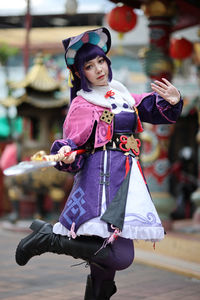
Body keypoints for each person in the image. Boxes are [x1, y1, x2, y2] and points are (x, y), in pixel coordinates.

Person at [15, 27, 183, 299]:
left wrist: (173, 101)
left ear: (108, 61)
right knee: (119, 256)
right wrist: (66, 152)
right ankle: (48, 238)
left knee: (106, 265)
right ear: (82, 73)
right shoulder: (83, 104)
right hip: (99, 183)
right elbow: (71, 142)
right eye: (90, 66)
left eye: (101, 61)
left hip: (127, 179)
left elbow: (149, 107)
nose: (99, 69)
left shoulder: (122, 95)